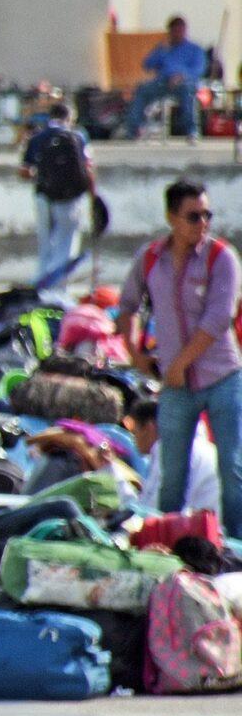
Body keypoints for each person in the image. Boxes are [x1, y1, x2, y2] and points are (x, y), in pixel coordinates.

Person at [128, 181, 242, 533]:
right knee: (172, 477)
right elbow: (128, 305)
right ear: (171, 218)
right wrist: (134, 351)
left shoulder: (221, 257)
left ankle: (236, 545)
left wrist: (177, 364)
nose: (202, 223)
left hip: (221, 378)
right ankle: (167, 542)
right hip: (176, 387)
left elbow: (218, 318)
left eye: (207, 215)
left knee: (233, 471)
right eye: (194, 216)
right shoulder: (150, 259)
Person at [20, 100, 95, 290]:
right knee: (67, 243)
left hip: (43, 196)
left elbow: (25, 171)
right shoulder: (78, 137)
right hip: (72, 198)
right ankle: (59, 286)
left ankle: (42, 282)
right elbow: (87, 168)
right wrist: (93, 197)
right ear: (69, 117)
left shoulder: (37, 138)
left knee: (45, 244)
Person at [128, 397, 221, 518]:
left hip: (198, 530)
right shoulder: (206, 448)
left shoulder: (170, 450)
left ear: (149, 427)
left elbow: (149, 512)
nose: (134, 439)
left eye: (135, 432)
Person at [130, 15, 209, 142]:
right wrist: (161, 50)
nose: (178, 34)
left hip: (184, 82)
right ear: (170, 31)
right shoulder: (164, 48)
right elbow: (147, 64)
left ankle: (192, 131)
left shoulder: (194, 49)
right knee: (142, 89)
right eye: (175, 31)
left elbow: (199, 69)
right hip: (163, 82)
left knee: (188, 93)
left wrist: (181, 76)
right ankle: (135, 129)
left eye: (180, 30)